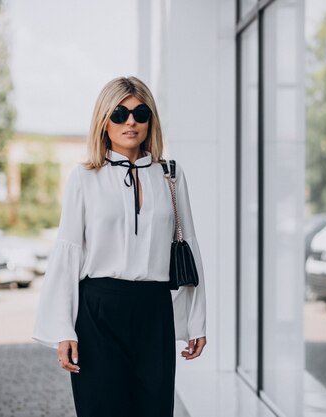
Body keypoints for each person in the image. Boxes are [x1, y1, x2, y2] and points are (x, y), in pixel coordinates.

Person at [32, 76, 207, 417]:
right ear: (104, 121)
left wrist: (197, 321)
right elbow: (69, 252)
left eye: (141, 113)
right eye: (120, 113)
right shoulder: (84, 177)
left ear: (150, 120)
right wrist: (63, 330)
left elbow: (189, 247)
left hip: (154, 311)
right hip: (98, 312)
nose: (131, 121)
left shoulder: (170, 173)